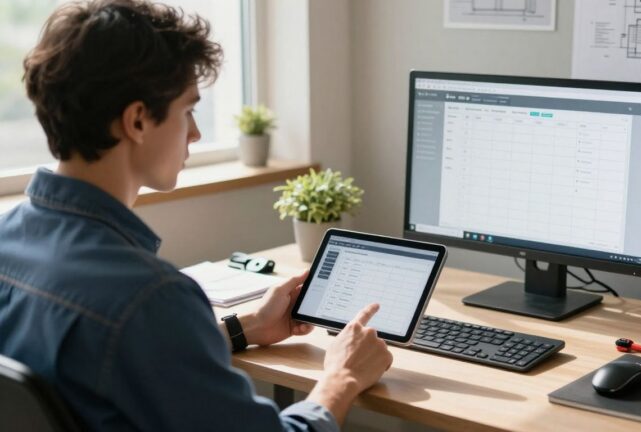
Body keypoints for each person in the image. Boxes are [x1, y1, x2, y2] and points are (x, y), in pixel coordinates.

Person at [0, 0, 393, 430]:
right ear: (136, 121)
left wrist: (248, 327)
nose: (196, 133)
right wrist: (342, 378)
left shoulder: (8, 239)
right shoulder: (150, 297)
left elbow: (118, 361)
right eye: (188, 110)